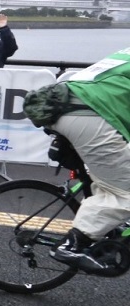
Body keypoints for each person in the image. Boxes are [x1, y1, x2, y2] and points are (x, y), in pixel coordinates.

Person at [48, 47, 130, 272]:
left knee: (112, 177)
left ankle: (105, 227)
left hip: (63, 105)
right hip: (86, 115)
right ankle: (71, 245)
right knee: (127, 192)